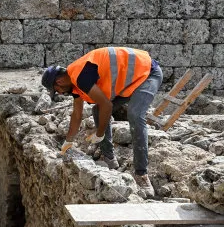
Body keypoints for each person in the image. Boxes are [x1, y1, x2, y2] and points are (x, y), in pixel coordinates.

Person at [41, 46, 163, 197]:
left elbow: (107, 105)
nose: (59, 93)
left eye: (56, 90)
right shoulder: (74, 82)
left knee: (135, 114)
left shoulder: (81, 77)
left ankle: (141, 174)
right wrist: (68, 142)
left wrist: (99, 134)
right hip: (130, 81)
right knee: (97, 111)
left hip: (148, 73)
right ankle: (109, 159)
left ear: (59, 81)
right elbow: (77, 114)